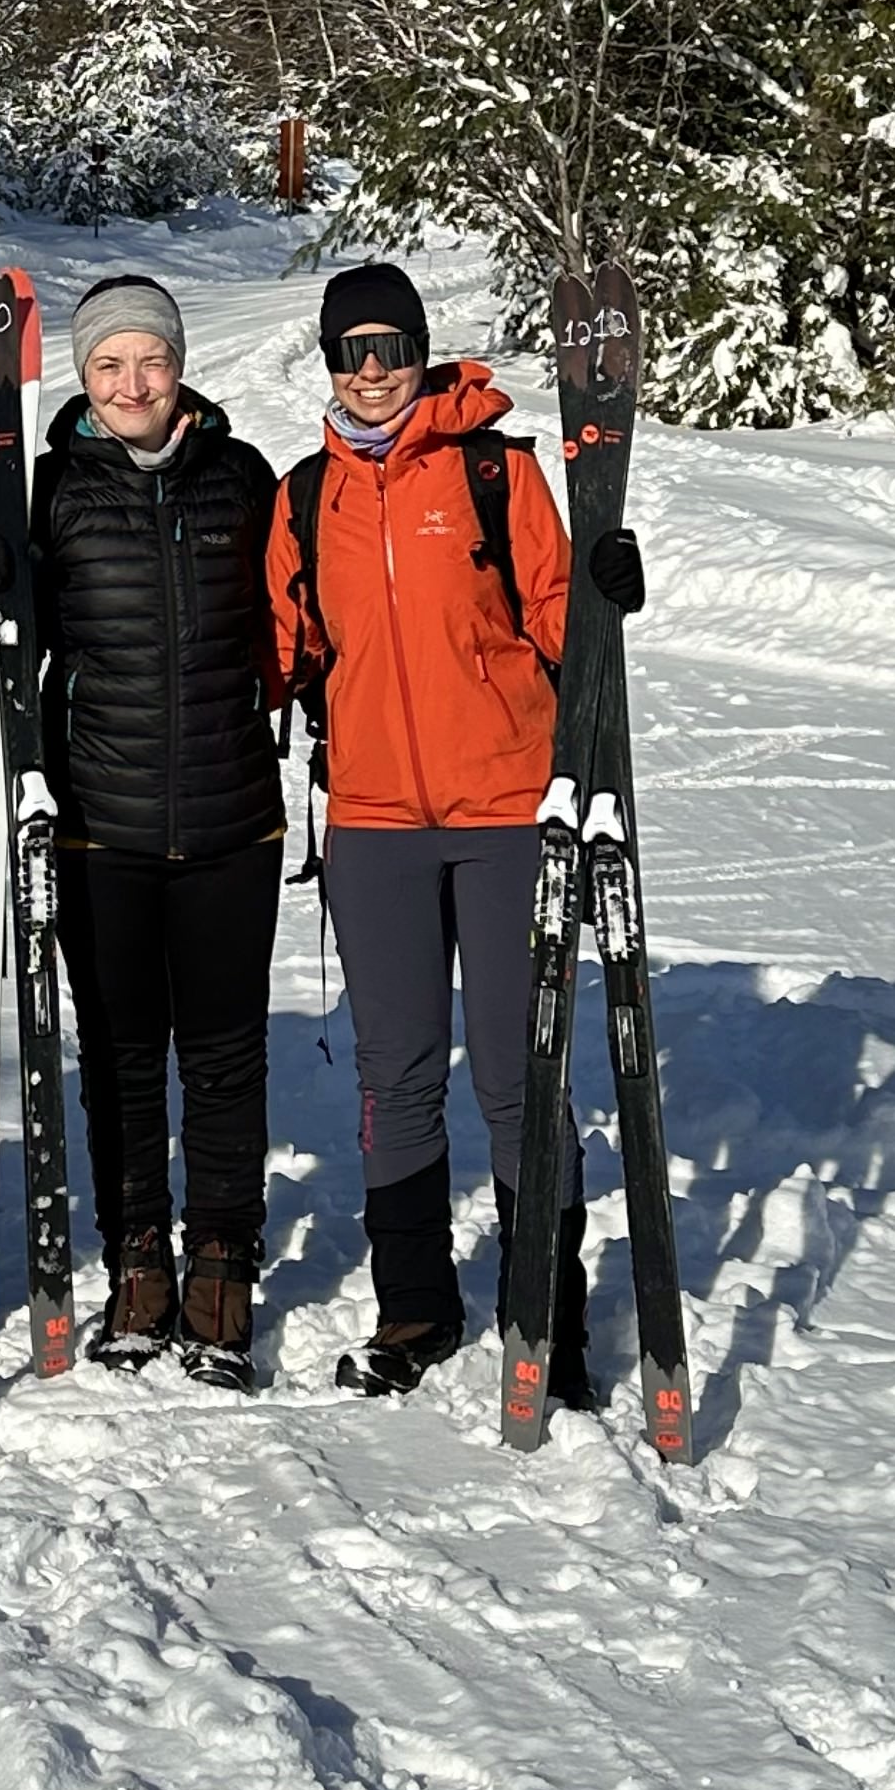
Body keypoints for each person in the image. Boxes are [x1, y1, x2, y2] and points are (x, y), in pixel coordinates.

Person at [268, 260, 642, 1396]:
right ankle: (416, 1308)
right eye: (351, 351)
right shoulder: (303, 497)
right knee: (396, 1072)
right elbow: (279, 654)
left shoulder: (495, 471)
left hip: (505, 811)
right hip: (374, 820)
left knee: (520, 1074)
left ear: (421, 351)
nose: (371, 371)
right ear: (330, 361)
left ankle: (548, 1307)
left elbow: (556, 620)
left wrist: (603, 592)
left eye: (390, 347)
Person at [32, 272, 282, 1388]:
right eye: (108, 365)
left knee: (225, 1054)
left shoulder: (243, 479)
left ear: (179, 365)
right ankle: (137, 1250)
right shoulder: (48, 492)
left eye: (151, 359)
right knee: (124, 1057)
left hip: (233, 817)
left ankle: (223, 1251)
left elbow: (304, 623)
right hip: (103, 825)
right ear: (83, 379)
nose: (132, 383)